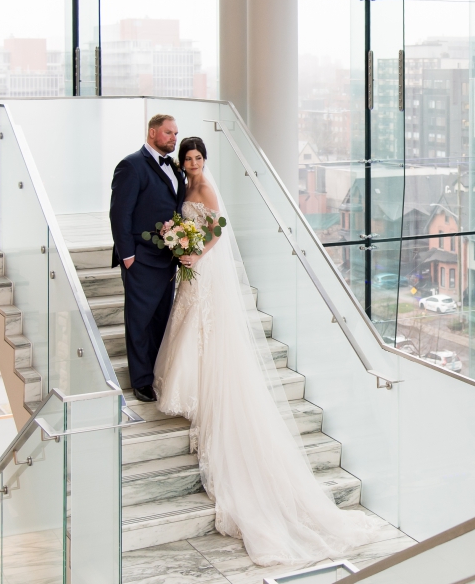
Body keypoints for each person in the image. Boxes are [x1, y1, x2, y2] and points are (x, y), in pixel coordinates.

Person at [153, 137, 389, 566]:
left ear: (205, 159)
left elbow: (218, 229)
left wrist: (195, 254)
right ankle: (186, 385)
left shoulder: (204, 189)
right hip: (189, 269)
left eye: (197, 158)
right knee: (188, 324)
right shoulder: (183, 188)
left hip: (200, 268)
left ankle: (202, 389)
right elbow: (190, 224)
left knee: (203, 328)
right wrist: (180, 245)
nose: (191, 164)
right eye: (187, 159)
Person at [108, 114, 186, 403]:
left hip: (167, 259)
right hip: (140, 259)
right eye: (168, 133)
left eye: (176, 134)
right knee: (139, 322)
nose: (173, 138)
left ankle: (157, 374)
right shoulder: (131, 165)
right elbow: (119, 213)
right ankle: (141, 381)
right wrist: (129, 256)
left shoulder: (176, 170)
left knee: (160, 321)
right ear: (153, 133)